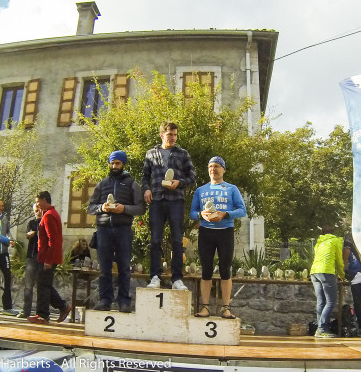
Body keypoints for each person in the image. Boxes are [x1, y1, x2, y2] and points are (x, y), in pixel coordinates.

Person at [88, 150, 145, 312]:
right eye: (112, 163)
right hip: (103, 229)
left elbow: (141, 208)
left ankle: (124, 301)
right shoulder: (101, 184)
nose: (114, 166)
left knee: (124, 268)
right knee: (104, 268)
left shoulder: (132, 184)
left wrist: (124, 208)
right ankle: (104, 300)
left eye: (117, 163)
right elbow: (90, 207)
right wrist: (102, 207)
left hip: (123, 229)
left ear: (123, 164)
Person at [141, 121, 195, 290]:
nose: (172, 138)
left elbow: (192, 177)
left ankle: (177, 279)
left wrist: (179, 182)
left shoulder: (183, 154)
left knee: (178, 240)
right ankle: (155, 277)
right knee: (155, 240)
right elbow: (144, 177)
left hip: (176, 201)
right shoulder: (150, 154)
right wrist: (146, 190)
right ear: (162, 135)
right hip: (156, 200)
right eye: (170, 134)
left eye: (175, 135)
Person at [190, 157, 246, 319]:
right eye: (210, 166)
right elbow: (193, 212)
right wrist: (202, 215)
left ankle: (226, 308)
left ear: (223, 170)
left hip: (225, 232)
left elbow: (242, 210)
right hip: (206, 233)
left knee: (225, 270)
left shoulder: (231, 189)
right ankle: (205, 308)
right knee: (206, 270)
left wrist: (225, 214)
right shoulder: (201, 190)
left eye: (217, 166)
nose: (213, 169)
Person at [27, 191, 71, 325]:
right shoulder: (50, 214)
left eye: (38, 201)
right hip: (45, 256)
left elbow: (53, 240)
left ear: (45, 201)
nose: (37, 205)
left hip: (47, 257)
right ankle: (60, 307)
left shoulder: (49, 216)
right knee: (44, 285)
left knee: (43, 286)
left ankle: (44, 314)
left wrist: (48, 260)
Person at [310, 226, 345, 338]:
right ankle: (322, 329)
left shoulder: (319, 243)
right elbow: (339, 260)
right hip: (326, 272)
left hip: (314, 272)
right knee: (331, 302)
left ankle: (321, 329)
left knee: (321, 302)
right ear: (333, 233)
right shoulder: (336, 241)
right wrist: (342, 275)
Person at [17, 204, 41, 318]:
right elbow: (27, 234)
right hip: (31, 256)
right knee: (28, 286)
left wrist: (35, 233)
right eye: (36, 210)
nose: (38, 212)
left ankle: (40, 312)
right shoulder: (31, 223)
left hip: (41, 257)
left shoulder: (46, 221)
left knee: (42, 285)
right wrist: (30, 234)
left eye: (39, 210)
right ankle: (26, 311)